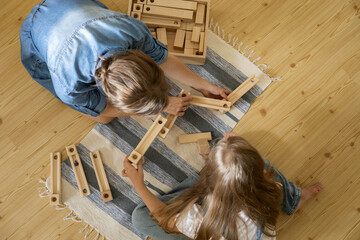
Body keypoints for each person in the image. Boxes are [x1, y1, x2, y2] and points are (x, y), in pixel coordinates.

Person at [20, 0, 230, 124]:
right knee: (104, 119)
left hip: (69, 4)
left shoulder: (132, 29)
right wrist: (161, 105)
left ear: (143, 60)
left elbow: (163, 59)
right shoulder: (68, 84)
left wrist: (204, 85)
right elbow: (103, 111)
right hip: (34, 35)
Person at [122, 132, 324, 240]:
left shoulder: (207, 225)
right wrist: (234, 152)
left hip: (214, 232)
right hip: (251, 224)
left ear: (209, 180)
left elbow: (162, 217)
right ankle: (294, 200)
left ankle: (228, 165)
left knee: (140, 217)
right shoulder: (269, 186)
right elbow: (254, 168)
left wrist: (138, 183)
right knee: (239, 158)